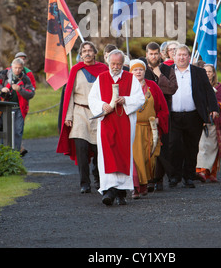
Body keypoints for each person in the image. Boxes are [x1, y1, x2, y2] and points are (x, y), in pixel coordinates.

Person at [88, 49, 145, 206]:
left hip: (125, 122)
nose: (115, 66)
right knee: (108, 154)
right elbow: (92, 99)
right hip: (107, 121)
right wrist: (103, 105)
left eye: (119, 64)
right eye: (113, 64)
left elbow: (140, 98)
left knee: (122, 153)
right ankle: (109, 190)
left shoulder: (131, 79)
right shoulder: (101, 78)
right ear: (108, 62)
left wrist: (125, 100)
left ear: (122, 64)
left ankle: (120, 193)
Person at [56, 41, 108, 193]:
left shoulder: (103, 69)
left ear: (94, 52)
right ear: (80, 53)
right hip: (79, 112)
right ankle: (84, 183)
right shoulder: (76, 70)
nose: (87, 53)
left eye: (90, 50)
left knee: (99, 150)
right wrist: (68, 115)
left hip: (98, 113)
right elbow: (69, 94)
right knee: (81, 149)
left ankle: (99, 179)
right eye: (84, 50)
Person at [168, 44, 219, 188]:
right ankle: (174, 176)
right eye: (179, 55)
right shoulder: (167, 71)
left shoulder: (198, 72)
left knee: (191, 148)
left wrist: (213, 108)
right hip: (173, 116)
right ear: (174, 57)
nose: (182, 57)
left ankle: (189, 177)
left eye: (185, 55)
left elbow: (209, 91)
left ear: (189, 57)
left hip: (193, 116)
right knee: (174, 147)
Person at [141, 41, 178, 191]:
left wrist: (159, 75)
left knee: (163, 145)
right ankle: (150, 178)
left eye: (156, 53)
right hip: (145, 112)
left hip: (164, 112)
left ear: (160, 54)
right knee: (148, 145)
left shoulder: (167, 69)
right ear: (146, 55)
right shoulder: (141, 70)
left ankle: (159, 179)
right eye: (151, 54)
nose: (154, 56)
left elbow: (171, 88)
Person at [129, 59, 169, 199]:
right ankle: (135, 187)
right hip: (132, 129)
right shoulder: (126, 87)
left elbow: (163, 108)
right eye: (135, 69)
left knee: (148, 159)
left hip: (149, 129)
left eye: (140, 69)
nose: (138, 72)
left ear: (144, 71)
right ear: (130, 72)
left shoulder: (152, 86)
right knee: (134, 159)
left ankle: (144, 185)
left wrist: (159, 119)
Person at [0, 58, 35, 152]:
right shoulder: (4, 73)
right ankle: (4, 153)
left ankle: (16, 154)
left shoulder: (26, 78)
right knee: (5, 131)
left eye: (19, 68)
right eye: (15, 68)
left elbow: (31, 93)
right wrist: (2, 88)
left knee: (17, 132)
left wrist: (20, 89)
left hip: (19, 108)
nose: (17, 70)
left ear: (22, 68)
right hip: (5, 108)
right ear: (12, 66)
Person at [196, 64, 221, 182]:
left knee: (214, 147)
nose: (208, 73)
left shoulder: (218, 87)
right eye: (205, 71)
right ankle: (201, 171)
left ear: (214, 73)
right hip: (200, 120)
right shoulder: (197, 85)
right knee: (202, 146)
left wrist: (216, 106)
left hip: (214, 122)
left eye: (210, 71)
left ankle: (211, 172)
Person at [14, 52, 37, 156]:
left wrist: (21, 90)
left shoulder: (28, 73)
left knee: (19, 127)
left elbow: (32, 89)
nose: (22, 60)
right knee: (5, 126)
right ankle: (12, 148)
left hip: (22, 104)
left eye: (24, 58)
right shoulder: (8, 71)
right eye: (20, 58)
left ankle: (18, 148)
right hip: (8, 102)